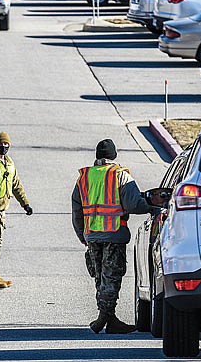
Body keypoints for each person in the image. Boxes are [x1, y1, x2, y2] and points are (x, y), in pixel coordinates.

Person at [71, 139, 158, 334]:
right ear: (114, 156)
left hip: (92, 235)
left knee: (100, 277)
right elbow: (134, 204)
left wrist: (81, 234)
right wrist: (153, 206)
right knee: (111, 277)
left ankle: (109, 319)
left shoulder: (84, 178)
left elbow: (76, 210)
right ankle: (104, 317)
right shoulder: (120, 175)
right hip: (113, 234)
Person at [0, 131, 32, 289]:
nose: (3, 147)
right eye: (0, 144)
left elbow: (16, 185)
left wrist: (25, 204)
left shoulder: (9, 162)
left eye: (6, 144)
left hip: (2, 209)